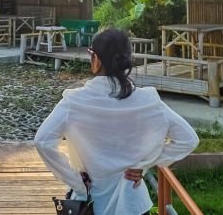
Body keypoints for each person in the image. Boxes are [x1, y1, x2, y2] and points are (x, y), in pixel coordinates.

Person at [34, 28, 199, 215]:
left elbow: (42, 141)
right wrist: (146, 164)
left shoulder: (74, 102)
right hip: (132, 203)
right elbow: (188, 139)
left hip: (88, 203)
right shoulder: (148, 101)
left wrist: (77, 183)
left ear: (96, 60)